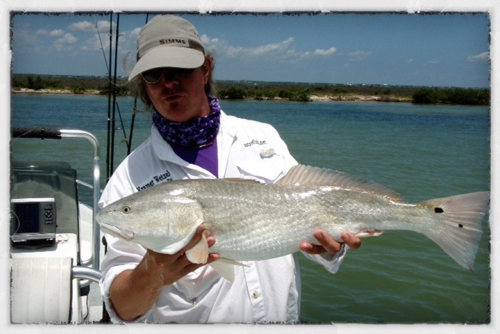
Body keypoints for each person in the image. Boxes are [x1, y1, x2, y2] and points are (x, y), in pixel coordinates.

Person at [99, 14, 361, 324]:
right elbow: (122, 308)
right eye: (154, 73)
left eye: (181, 68)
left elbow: (303, 221)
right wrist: (153, 274)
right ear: (145, 83)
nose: (168, 82)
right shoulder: (128, 179)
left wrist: (330, 247)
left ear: (206, 68)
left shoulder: (263, 137)